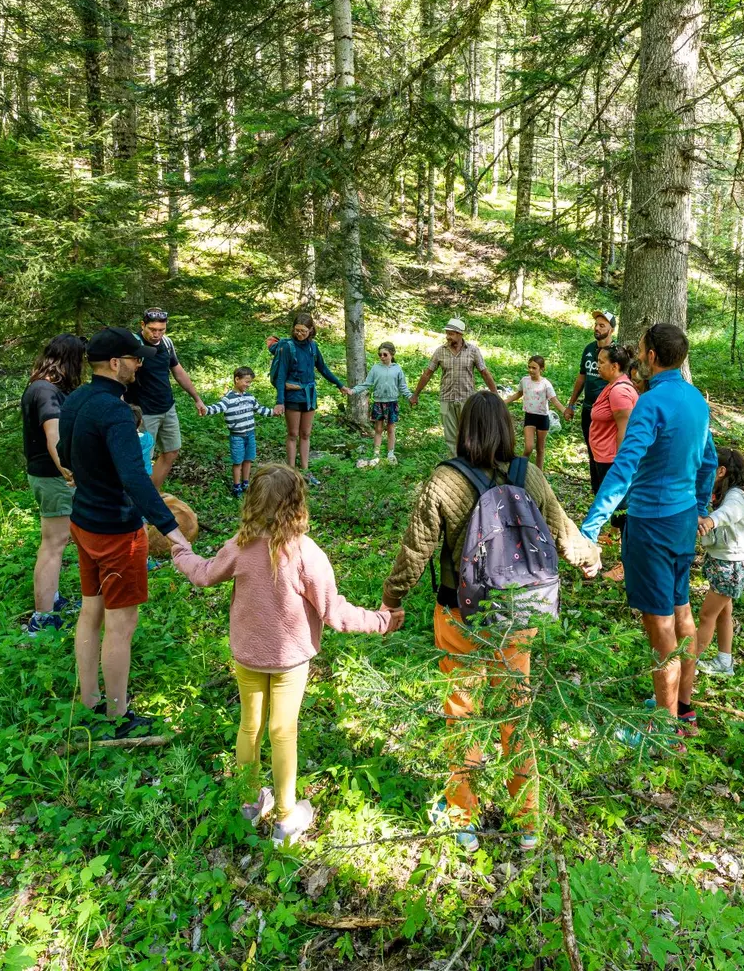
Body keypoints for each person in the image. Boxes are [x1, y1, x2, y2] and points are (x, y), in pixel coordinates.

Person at [383, 392, 600, 849]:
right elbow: (562, 530)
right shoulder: (529, 474)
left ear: (465, 429)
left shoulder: (445, 480)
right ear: (506, 428)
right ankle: (527, 820)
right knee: (515, 709)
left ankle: (463, 816)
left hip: (459, 613)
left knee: (462, 711)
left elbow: (416, 549)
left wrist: (392, 599)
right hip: (518, 612)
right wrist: (588, 556)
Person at [171, 465, 403, 844]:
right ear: (297, 505)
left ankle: (249, 803)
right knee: (283, 732)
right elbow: (334, 612)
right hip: (290, 662)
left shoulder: (240, 546)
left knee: (250, 726)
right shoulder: (306, 554)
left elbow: (203, 573)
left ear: (252, 502)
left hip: (248, 656)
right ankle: (285, 818)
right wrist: (381, 620)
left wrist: (181, 551)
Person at [579, 323, 717, 732]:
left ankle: (664, 728)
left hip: (651, 526)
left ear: (653, 356)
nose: (638, 357)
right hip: (682, 521)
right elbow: (709, 461)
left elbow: (625, 467)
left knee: (660, 627)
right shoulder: (696, 400)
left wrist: (591, 526)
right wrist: (700, 507)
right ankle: (683, 706)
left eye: (641, 350)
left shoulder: (650, 403)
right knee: (681, 610)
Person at [58, 327, 190, 744]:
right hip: (117, 531)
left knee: (90, 611)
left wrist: (92, 477)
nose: (138, 365)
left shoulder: (76, 399)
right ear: (115, 363)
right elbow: (135, 478)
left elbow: (63, 453)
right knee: (121, 623)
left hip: (83, 522)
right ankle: (117, 717)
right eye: (133, 359)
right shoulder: (115, 411)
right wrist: (172, 530)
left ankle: (89, 701)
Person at [21, 334, 85, 635]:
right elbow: (53, 436)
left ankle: (53, 600)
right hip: (52, 476)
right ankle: (43, 617)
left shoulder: (40, 387)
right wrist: (68, 472)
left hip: (47, 475)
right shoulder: (46, 392)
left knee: (56, 541)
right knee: (53, 544)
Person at [691, 447, 744, 677]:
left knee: (706, 616)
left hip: (730, 566)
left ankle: (689, 664)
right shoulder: (727, 491)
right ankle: (724, 661)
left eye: (709, 469)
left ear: (721, 471)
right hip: (725, 561)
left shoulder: (736, 496)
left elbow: (729, 513)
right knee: (723, 613)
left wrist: (710, 521)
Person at [130, 308, 208, 490]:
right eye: (152, 329)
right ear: (142, 325)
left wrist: (197, 398)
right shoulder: (134, 345)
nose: (156, 334)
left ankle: (153, 493)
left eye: (161, 330)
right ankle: (139, 500)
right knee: (142, 458)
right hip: (143, 412)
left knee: (172, 451)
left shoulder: (166, 343)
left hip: (167, 407)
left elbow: (178, 372)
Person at [268, 313, 347, 484]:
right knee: (293, 434)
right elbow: (281, 375)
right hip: (292, 396)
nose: (299, 334)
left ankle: (305, 471)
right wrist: (280, 401)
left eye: (303, 331)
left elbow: (323, 368)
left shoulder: (313, 346)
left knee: (305, 434)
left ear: (311, 330)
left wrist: (340, 385)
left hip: (309, 396)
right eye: (297, 330)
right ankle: (290, 472)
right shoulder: (287, 347)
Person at [410, 317, 499, 451]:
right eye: (447, 333)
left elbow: (484, 373)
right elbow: (427, 374)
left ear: (460, 334)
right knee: (451, 438)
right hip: (447, 399)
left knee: (469, 435)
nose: (448, 337)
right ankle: (455, 462)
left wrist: (495, 394)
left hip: (467, 399)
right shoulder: (440, 351)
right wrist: (415, 395)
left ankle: (470, 460)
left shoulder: (473, 351)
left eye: (451, 334)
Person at [203, 366, 282, 495]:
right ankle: (237, 486)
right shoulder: (228, 398)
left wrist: (273, 412)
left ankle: (246, 483)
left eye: (250, 382)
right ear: (237, 379)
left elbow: (260, 409)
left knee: (248, 459)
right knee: (238, 462)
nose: (248, 385)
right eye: (246, 381)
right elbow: (217, 407)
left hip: (250, 434)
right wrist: (205, 409)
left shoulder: (250, 397)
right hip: (237, 436)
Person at [586, 344, 638, 537]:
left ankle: (625, 543)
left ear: (615, 366)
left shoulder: (619, 392)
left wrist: (621, 463)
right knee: (614, 502)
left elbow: (625, 429)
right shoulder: (612, 386)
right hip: (604, 456)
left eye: (601, 362)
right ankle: (616, 535)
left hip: (612, 459)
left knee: (619, 503)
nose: (597, 365)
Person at [348, 341, 412, 467]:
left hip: (392, 402)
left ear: (392, 354)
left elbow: (403, 386)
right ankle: (376, 454)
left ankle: (390, 454)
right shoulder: (375, 368)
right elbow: (367, 383)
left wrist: (411, 397)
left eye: (385, 354)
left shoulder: (397, 369)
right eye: (380, 354)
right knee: (378, 429)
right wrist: (353, 390)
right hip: (379, 402)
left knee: (391, 428)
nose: (382, 357)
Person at [563, 310, 616, 440]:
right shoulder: (589, 349)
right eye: (596, 324)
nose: (597, 328)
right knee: (589, 444)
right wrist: (571, 405)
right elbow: (582, 377)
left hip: (606, 411)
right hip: (588, 408)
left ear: (611, 330)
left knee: (602, 447)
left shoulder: (616, 352)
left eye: (602, 326)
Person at [506, 355, 562, 470]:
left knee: (540, 449)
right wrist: (504, 401)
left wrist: (565, 410)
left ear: (542, 369)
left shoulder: (546, 384)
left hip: (542, 418)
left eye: (534, 368)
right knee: (528, 447)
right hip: (530, 417)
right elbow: (518, 394)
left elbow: (554, 400)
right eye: (529, 367)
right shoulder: (525, 381)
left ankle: (539, 473)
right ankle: (520, 468)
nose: (531, 370)